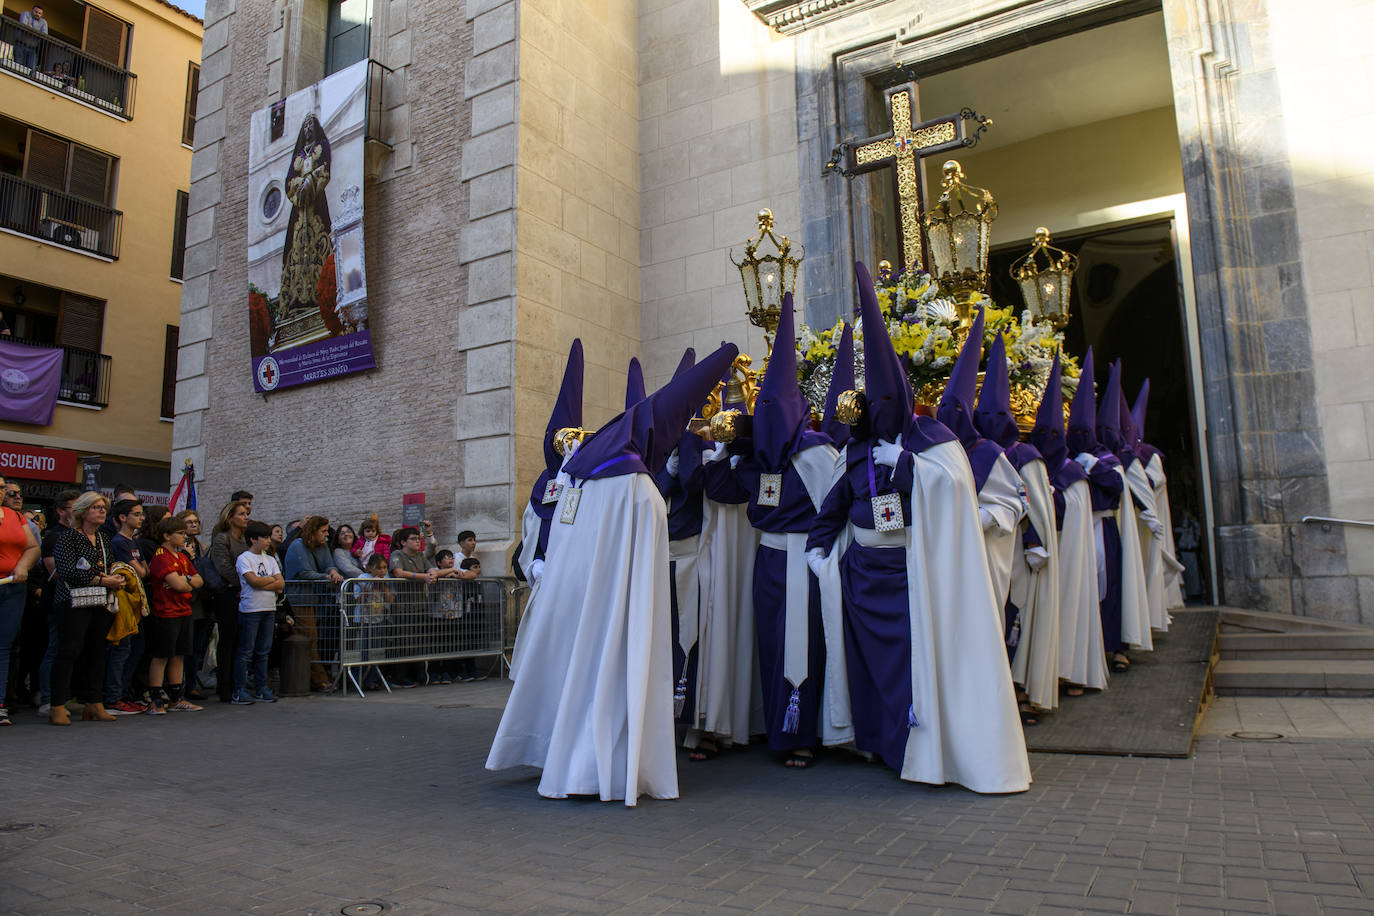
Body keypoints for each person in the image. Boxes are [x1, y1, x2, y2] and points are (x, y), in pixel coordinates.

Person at [807, 262, 1030, 794]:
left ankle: (918, 745)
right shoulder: (857, 449)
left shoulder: (933, 441)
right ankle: (881, 743)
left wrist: (906, 463)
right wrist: (819, 549)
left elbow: (952, 491)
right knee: (872, 668)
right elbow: (835, 503)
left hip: (912, 575)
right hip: (864, 576)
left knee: (913, 666)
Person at [488, 341, 738, 805]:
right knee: (608, 682)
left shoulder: (583, 473)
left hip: (576, 603)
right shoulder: (642, 489)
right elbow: (642, 573)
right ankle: (603, 764)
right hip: (618, 611)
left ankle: (566, 758)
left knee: (576, 677)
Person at [705, 296, 838, 768]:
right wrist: (723, 452)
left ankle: (800, 733)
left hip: (804, 559)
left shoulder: (816, 452)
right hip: (768, 561)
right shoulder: (759, 460)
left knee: (802, 647)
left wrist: (822, 552)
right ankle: (773, 724)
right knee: (770, 643)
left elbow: (836, 504)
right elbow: (724, 491)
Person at [974, 332, 1059, 719]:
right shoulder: (972, 453)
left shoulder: (1024, 454)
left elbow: (1036, 507)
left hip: (1019, 553)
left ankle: (1019, 688)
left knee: (1015, 616)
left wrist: (1035, 540)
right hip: (986, 552)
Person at [935, 309, 1024, 629]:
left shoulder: (987, 454)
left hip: (983, 553)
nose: (949, 416)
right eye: (943, 408)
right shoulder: (936, 453)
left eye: (956, 409)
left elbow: (1015, 504)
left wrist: (980, 517)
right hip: (947, 555)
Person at [1028, 354, 1107, 697]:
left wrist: (1052, 498)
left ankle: (1072, 671)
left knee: (1071, 606)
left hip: (1068, 549)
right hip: (1045, 552)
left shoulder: (1074, 474)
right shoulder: (1032, 465)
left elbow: (1070, 511)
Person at [1067, 350, 1149, 673]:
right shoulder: (1067, 458)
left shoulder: (1107, 460)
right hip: (1079, 531)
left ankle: (1117, 648)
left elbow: (1116, 485)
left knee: (1112, 588)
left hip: (1104, 528)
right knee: (1084, 591)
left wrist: (1092, 466)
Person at [510, 339, 582, 681]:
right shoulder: (542, 483)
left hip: (573, 583)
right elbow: (530, 531)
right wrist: (533, 564)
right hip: (543, 580)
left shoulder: (585, 479)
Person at [49, 492, 123, 725]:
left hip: (99, 601)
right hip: (72, 601)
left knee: (97, 651)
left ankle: (94, 702)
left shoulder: (103, 538)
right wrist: (103, 580)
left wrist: (117, 578)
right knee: (69, 651)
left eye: (103, 507)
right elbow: (67, 570)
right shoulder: (68, 537)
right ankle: (57, 704)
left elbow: (109, 565)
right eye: (95, 507)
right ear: (82, 511)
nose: (101, 511)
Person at [144, 516, 204, 714]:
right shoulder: (161, 556)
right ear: (166, 536)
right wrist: (185, 582)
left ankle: (176, 697)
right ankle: (155, 698)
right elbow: (179, 585)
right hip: (166, 612)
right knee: (162, 655)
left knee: (179, 654)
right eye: (180, 533)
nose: (184, 537)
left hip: (184, 610)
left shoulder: (183, 557)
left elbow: (198, 580)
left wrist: (184, 580)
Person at [32, 488, 78, 716]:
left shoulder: (78, 535)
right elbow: (56, 572)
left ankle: (64, 695)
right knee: (55, 649)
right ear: (61, 511)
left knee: (70, 650)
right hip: (56, 602)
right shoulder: (53, 536)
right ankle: (48, 698)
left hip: (76, 603)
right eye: (74, 508)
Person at [284, 515, 344, 691]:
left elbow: (329, 563)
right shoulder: (297, 546)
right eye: (323, 531)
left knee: (316, 638)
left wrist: (332, 572)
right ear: (313, 531)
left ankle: (317, 676)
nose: (326, 535)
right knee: (309, 638)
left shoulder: (322, 546)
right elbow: (304, 572)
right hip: (299, 600)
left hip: (315, 600)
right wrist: (326, 577)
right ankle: (318, 679)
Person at [0, 475, 39, 726]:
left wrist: (23, 567)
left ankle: (0, 704)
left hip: (11, 589)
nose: (1, 492)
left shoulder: (14, 516)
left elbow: (33, 547)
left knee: (3, 648)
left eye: (2, 487)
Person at [104, 499, 148, 714]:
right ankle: (113, 698)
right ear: (123, 518)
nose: (141, 518)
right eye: (136, 514)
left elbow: (145, 570)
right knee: (121, 651)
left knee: (132, 651)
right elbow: (138, 572)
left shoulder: (134, 542)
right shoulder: (119, 543)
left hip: (136, 603)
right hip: (123, 604)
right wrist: (140, 568)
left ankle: (123, 693)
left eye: (142, 514)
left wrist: (140, 568)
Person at [233, 521, 284, 704]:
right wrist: (271, 581)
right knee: (246, 651)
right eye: (264, 537)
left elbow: (281, 584)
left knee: (263, 651)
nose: (268, 541)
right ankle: (239, 689)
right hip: (251, 610)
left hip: (269, 609)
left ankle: (261, 687)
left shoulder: (270, 559)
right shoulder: (244, 558)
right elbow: (252, 582)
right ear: (253, 539)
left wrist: (266, 581)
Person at [210, 500, 251, 703]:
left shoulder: (245, 540)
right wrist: (245, 582)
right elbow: (224, 567)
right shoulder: (222, 539)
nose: (246, 517)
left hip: (244, 594)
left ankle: (238, 683)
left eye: (246, 514)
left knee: (240, 641)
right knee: (227, 640)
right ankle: (224, 685)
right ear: (230, 518)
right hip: (227, 593)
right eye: (241, 514)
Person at [389, 526, 435, 687]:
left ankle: (420, 675)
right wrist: (425, 577)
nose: (417, 542)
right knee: (403, 642)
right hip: (402, 606)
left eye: (418, 539)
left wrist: (433, 574)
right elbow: (399, 572)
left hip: (419, 605)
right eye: (413, 539)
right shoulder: (397, 554)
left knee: (419, 642)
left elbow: (431, 569)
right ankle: (399, 677)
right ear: (403, 542)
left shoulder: (420, 555)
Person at [16, 5, 47, 72]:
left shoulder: (43, 22)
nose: (37, 14)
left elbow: (44, 35)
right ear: (32, 10)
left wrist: (30, 29)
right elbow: (23, 26)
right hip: (20, 45)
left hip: (32, 49)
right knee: (18, 66)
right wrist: (37, 33)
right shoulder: (26, 14)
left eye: (39, 13)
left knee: (32, 69)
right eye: (36, 12)